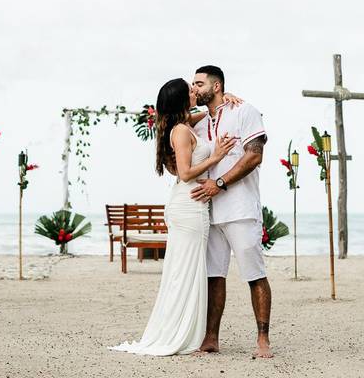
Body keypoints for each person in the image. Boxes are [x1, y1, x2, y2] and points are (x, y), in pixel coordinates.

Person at [110, 78, 239, 356]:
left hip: (191, 205)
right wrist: (216, 156)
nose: (195, 92)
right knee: (184, 272)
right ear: (182, 98)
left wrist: (224, 99)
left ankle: (184, 331)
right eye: (191, 90)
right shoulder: (181, 131)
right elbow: (185, 173)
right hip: (189, 205)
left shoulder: (183, 124)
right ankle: (177, 333)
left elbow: (208, 112)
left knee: (188, 270)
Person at [189, 65, 272, 359]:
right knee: (214, 277)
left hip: (240, 209)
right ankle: (211, 338)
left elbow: (255, 155)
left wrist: (220, 184)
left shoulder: (245, 111)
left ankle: (263, 339)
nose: (194, 88)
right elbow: (167, 119)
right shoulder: (198, 124)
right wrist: (191, 102)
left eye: (199, 83)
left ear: (217, 85)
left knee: (254, 274)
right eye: (192, 84)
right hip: (208, 213)